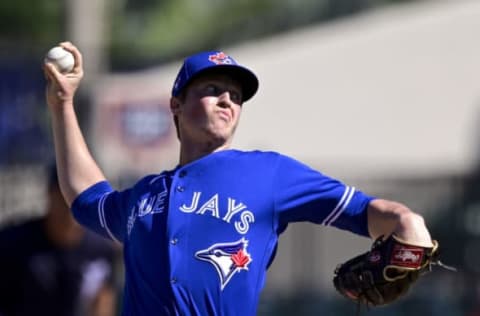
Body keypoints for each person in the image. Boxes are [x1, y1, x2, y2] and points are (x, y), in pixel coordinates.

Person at [44, 42, 435, 316]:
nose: (227, 99)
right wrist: (62, 104)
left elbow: (363, 211)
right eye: (212, 89)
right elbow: (85, 198)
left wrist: (406, 221)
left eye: (235, 94)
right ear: (176, 105)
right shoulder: (145, 196)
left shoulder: (270, 173)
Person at [0, 165, 118, 316]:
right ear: (50, 194)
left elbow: (104, 303)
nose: (71, 207)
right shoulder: (12, 243)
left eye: (83, 199)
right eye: (65, 197)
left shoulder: (101, 249)